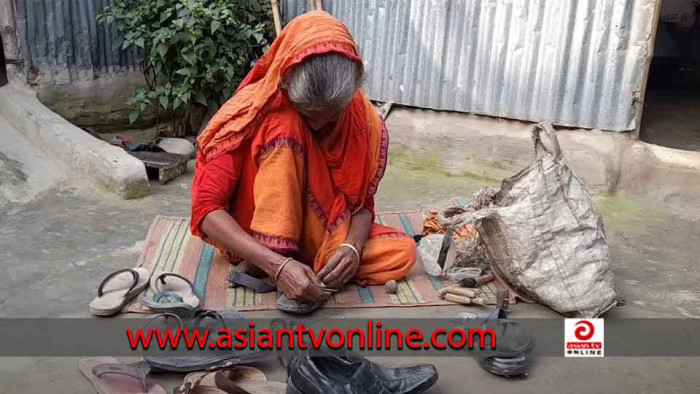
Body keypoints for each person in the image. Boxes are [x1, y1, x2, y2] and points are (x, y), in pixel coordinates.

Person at [190, 11, 415, 311]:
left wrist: (352, 247)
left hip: (319, 235)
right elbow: (206, 210)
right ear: (285, 83)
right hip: (255, 234)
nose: (320, 127)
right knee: (285, 127)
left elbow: (362, 209)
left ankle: (311, 269)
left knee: (404, 252)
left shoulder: (361, 121)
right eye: (309, 115)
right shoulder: (254, 111)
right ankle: (270, 263)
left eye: (332, 117)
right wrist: (276, 265)